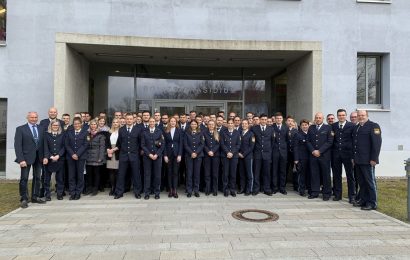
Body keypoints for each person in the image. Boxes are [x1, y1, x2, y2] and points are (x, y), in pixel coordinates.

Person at [14, 112, 46, 208]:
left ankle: (35, 197)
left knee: (37, 178)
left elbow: (44, 144)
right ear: (27, 118)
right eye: (32, 117)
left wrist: (45, 156)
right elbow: (17, 146)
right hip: (25, 158)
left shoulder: (41, 128)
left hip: (38, 157)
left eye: (35, 117)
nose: (34, 119)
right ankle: (24, 198)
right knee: (24, 178)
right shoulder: (20, 129)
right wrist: (21, 159)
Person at [352, 110, 382, 210]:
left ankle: (372, 203)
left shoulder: (374, 126)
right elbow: (354, 145)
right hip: (358, 160)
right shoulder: (357, 127)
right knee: (362, 182)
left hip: (368, 160)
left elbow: (376, 144)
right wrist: (353, 158)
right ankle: (363, 200)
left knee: (370, 182)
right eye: (359, 115)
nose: (361, 117)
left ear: (367, 115)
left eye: (363, 115)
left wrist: (374, 159)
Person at [114, 113, 143, 199]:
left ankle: (137, 192)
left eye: (131, 119)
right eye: (128, 119)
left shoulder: (138, 129)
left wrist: (138, 153)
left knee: (136, 175)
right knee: (121, 175)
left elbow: (140, 143)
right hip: (123, 156)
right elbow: (119, 143)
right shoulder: (121, 130)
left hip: (134, 156)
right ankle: (119, 192)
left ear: (133, 120)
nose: (129, 120)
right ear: (125, 120)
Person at [306, 112, 334, 200]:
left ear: (323, 119)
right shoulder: (311, 128)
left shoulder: (328, 127)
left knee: (325, 175)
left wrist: (320, 151)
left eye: (320, 118)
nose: (318, 119)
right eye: (316, 117)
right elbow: (307, 141)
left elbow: (330, 142)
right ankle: (314, 192)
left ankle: (326, 193)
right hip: (313, 155)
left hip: (324, 156)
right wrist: (313, 151)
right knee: (314, 174)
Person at [331, 109, 356, 202]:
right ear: (337, 116)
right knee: (336, 175)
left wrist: (353, 155)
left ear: (346, 116)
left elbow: (354, 141)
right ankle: (337, 195)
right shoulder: (333, 126)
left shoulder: (352, 126)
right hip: (336, 154)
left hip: (348, 154)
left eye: (343, 115)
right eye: (339, 115)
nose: (341, 117)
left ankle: (352, 196)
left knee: (350, 175)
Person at [65, 117, 88, 200]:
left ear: (81, 124)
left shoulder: (85, 132)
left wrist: (77, 154)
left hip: (81, 157)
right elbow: (66, 144)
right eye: (75, 124)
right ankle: (72, 193)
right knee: (71, 175)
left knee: (80, 175)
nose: (77, 125)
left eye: (78, 123)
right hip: (70, 157)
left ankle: (78, 192)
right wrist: (72, 154)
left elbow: (85, 144)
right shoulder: (69, 132)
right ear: (73, 124)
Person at [141, 117, 164, 200]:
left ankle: (157, 192)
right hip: (147, 157)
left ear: (155, 122)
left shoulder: (159, 131)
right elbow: (143, 145)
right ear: (148, 123)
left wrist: (157, 154)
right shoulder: (144, 132)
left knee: (157, 175)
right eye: (150, 121)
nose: (151, 123)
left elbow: (162, 145)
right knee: (147, 175)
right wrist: (149, 154)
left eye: (153, 121)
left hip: (157, 157)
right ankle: (147, 193)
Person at [251, 114, 274, 196]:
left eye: (265, 119)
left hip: (267, 154)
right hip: (257, 154)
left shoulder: (271, 129)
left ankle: (267, 189)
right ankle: (256, 189)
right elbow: (252, 141)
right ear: (259, 120)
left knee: (267, 173)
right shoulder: (254, 128)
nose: (264, 121)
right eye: (262, 119)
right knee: (256, 172)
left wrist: (269, 152)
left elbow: (272, 142)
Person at [43, 120, 65, 200]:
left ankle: (59, 194)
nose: (55, 127)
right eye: (54, 125)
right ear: (50, 126)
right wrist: (50, 156)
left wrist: (59, 155)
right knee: (47, 178)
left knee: (59, 178)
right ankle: (47, 195)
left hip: (60, 159)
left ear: (59, 126)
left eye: (57, 125)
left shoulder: (62, 134)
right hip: (49, 159)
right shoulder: (46, 134)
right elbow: (45, 146)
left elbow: (64, 146)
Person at [85, 120, 106, 196]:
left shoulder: (101, 135)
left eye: (95, 124)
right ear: (90, 125)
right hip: (88, 157)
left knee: (96, 174)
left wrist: (101, 157)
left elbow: (102, 147)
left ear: (97, 125)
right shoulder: (87, 134)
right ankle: (89, 188)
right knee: (89, 174)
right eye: (92, 124)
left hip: (97, 157)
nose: (93, 126)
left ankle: (95, 188)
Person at [220, 119, 241, 197]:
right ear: (227, 124)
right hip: (225, 156)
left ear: (234, 124)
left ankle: (232, 189)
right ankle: (225, 189)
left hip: (234, 156)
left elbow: (238, 144)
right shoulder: (223, 132)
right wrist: (227, 152)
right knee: (225, 173)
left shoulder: (237, 132)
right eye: (229, 123)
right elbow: (222, 144)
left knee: (233, 173)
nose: (230, 124)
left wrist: (232, 152)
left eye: (231, 123)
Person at [163, 117, 183, 198]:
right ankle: (170, 189)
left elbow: (181, 143)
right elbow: (163, 144)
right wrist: (165, 155)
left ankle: (175, 190)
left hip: (176, 154)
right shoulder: (166, 131)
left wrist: (179, 155)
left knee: (175, 173)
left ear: (176, 122)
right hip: (168, 154)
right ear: (169, 122)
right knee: (169, 172)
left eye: (174, 121)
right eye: (171, 121)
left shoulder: (179, 131)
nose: (173, 122)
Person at [184, 120, 204, 197]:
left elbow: (202, 144)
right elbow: (185, 145)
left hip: (198, 156)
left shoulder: (201, 133)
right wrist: (191, 153)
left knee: (196, 174)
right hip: (189, 156)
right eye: (192, 124)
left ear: (197, 125)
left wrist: (196, 153)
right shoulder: (186, 133)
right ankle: (189, 190)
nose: (193, 125)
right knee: (189, 174)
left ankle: (196, 190)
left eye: (195, 124)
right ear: (190, 125)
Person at [272, 112, 289, 195]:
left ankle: (282, 188)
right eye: (277, 118)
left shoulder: (286, 128)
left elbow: (287, 140)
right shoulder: (271, 127)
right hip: (274, 152)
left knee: (283, 171)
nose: (278, 120)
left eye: (280, 118)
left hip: (283, 152)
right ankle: (275, 188)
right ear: (275, 119)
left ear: (282, 119)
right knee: (274, 171)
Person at [293, 119, 311, 196]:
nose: (304, 126)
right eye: (303, 125)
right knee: (302, 174)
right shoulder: (297, 134)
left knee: (310, 174)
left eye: (306, 125)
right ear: (300, 126)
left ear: (308, 126)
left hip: (311, 157)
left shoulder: (311, 134)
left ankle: (310, 189)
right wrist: (296, 159)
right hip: (301, 158)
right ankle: (302, 190)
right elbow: (295, 147)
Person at [203, 120, 220, 196]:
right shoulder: (204, 133)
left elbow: (219, 144)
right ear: (207, 125)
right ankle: (208, 189)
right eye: (209, 124)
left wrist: (213, 151)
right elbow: (203, 144)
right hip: (207, 156)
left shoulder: (218, 133)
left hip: (215, 156)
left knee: (215, 174)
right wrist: (208, 151)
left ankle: (215, 190)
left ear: (214, 125)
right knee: (207, 173)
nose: (211, 125)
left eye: (212, 124)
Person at [238, 119, 255, 196]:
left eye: (245, 124)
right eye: (243, 124)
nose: (244, 125)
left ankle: (249, 189)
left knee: (249, 173)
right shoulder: (239, 133)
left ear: (248, 125)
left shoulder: (251, 134)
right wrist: (238, 153)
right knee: (241, 174)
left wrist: (243, 154)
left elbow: (251, 147)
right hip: (239, 156)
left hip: (248, 157)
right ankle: (242, 188)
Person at [106, 118, 120, 196]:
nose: (115, 123)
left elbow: (121, 143)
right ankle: (112, 187)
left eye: (116, 122)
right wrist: (108, 150)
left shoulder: (121, 132)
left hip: (117, 152)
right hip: (110, 153)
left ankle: (117, 188)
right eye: (114, 122)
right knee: (111, 172)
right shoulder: (109, 132)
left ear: (119, 123)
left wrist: (113, 150)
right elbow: (107, 142)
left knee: (117, 172)